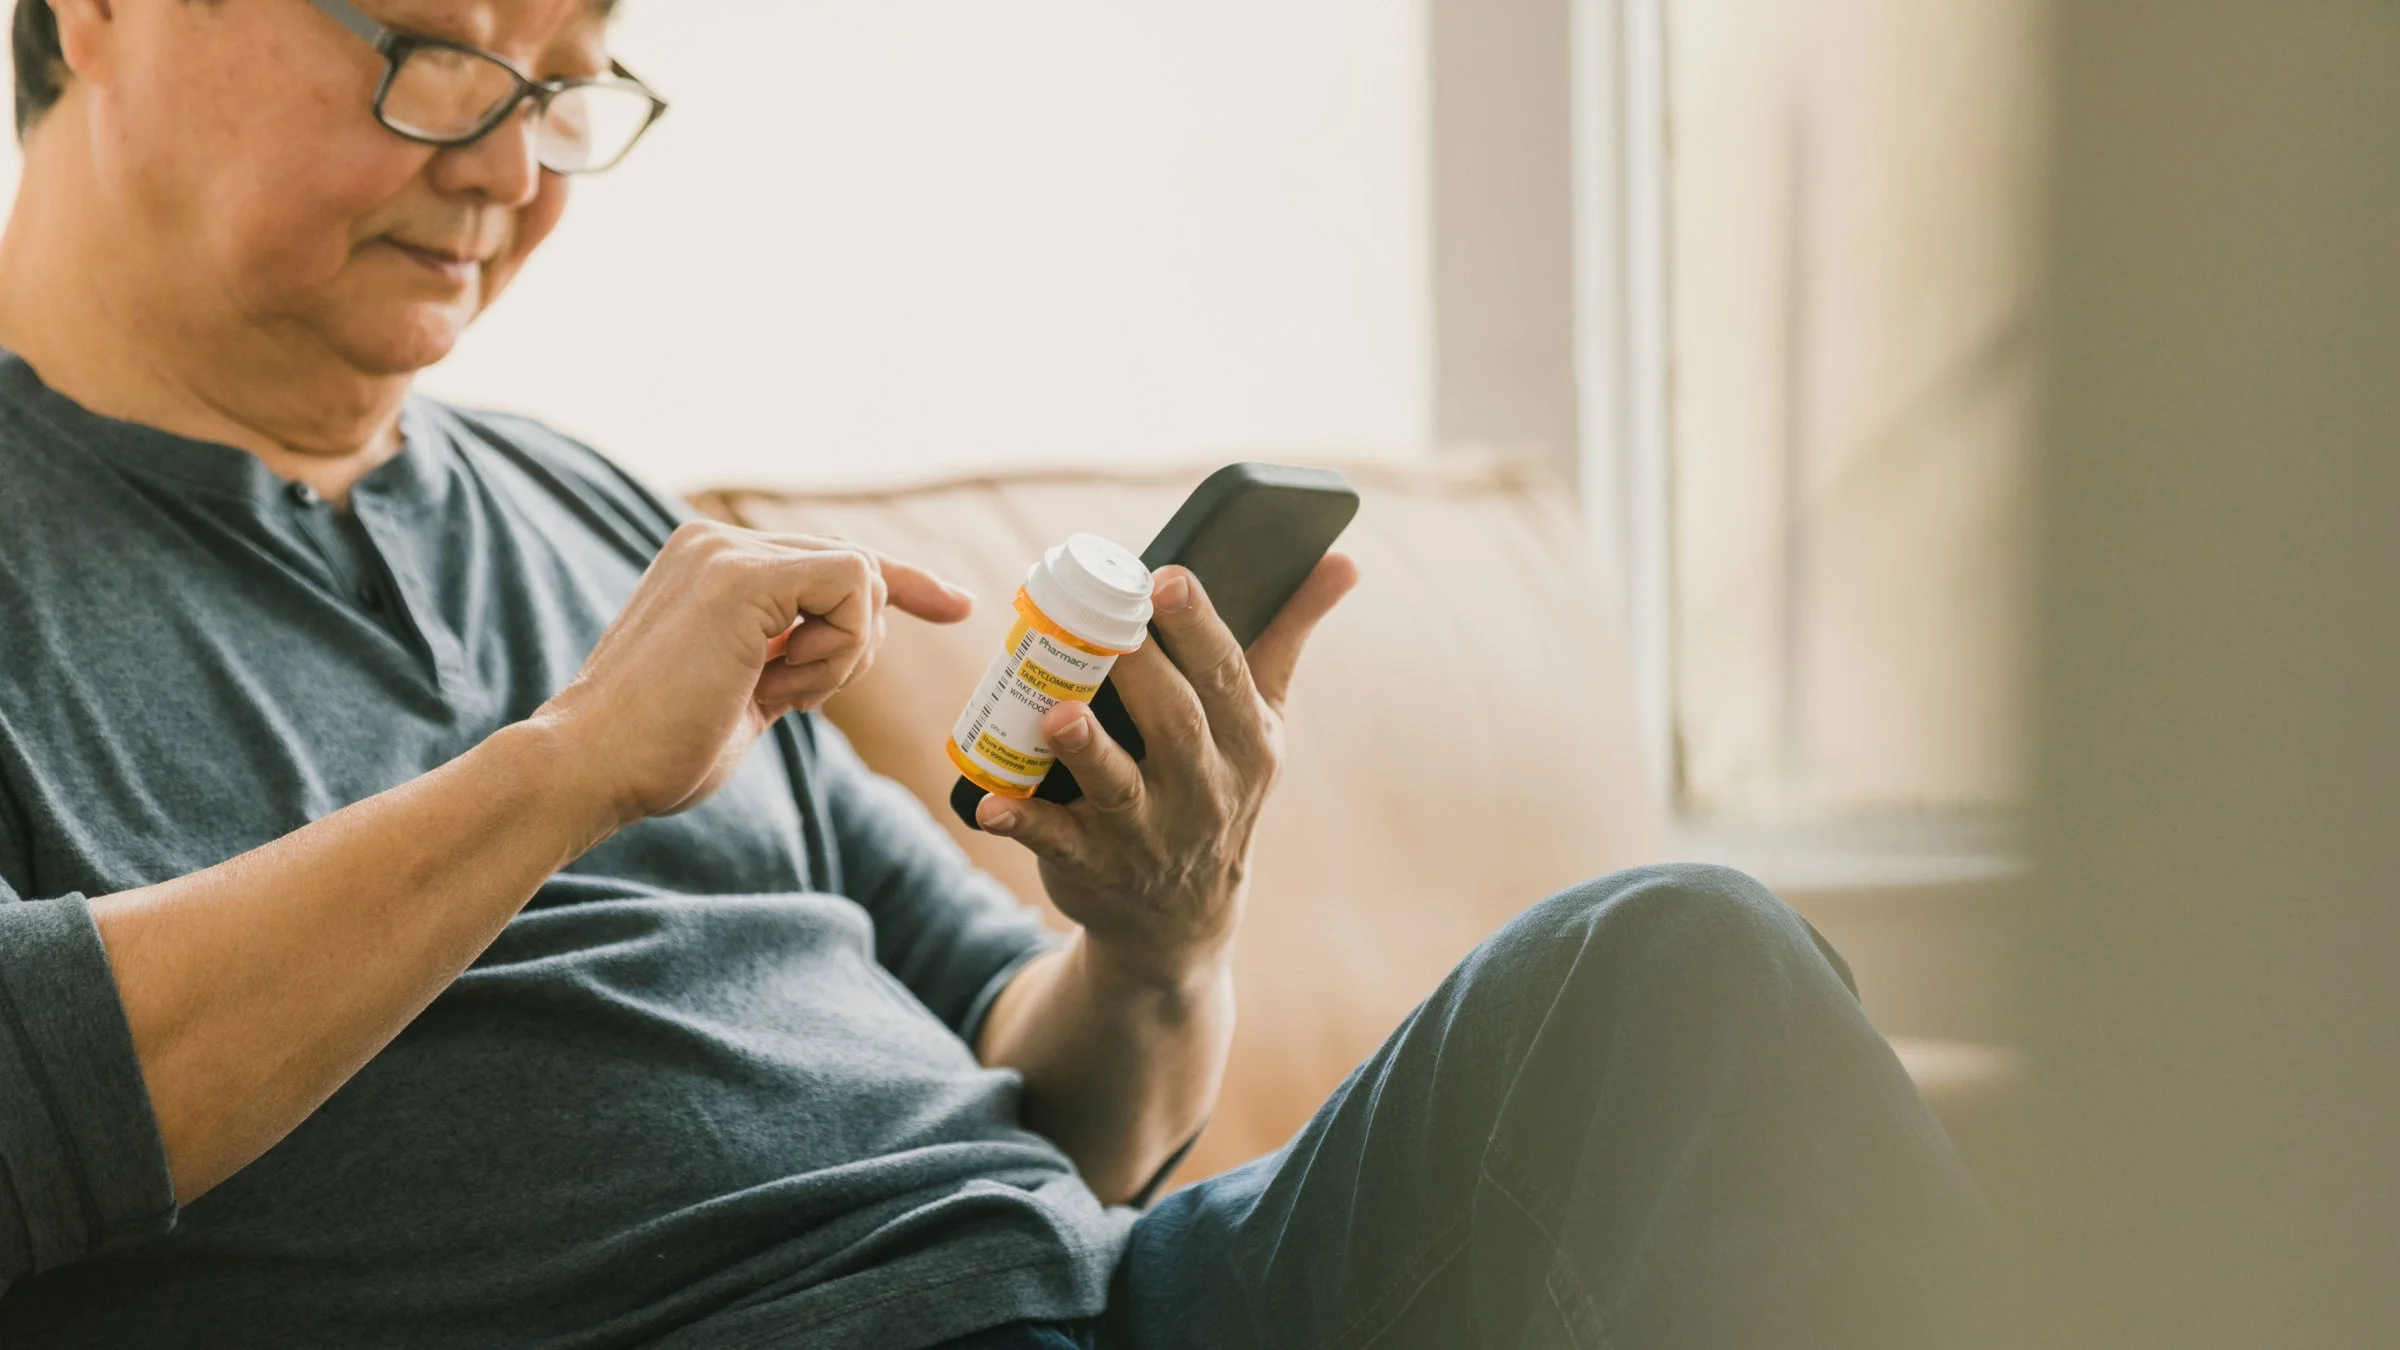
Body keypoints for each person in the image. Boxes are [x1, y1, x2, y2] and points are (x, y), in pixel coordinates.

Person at [0, 1, 2002, 1346]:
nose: (513, 170)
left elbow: (1062, 1108)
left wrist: (1156, 946)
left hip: (1107, 1291)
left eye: (569, 84)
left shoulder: (596, 516)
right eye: (441, 55)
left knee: (1669, 981)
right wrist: (566, 771)